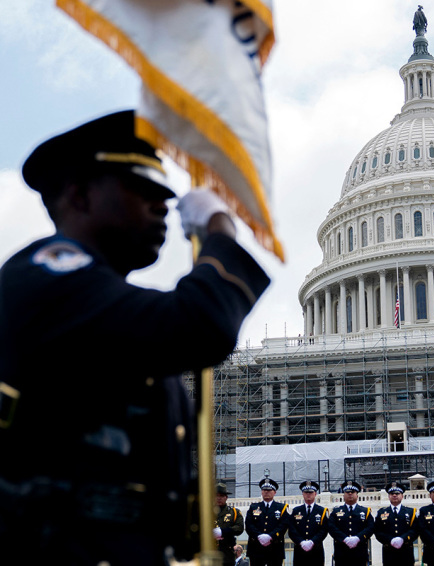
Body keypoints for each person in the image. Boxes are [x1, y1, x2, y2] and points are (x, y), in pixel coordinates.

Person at [0, 110, 269, 565]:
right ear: (80, 195)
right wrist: (221, 229)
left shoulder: (110, 306)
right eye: (142, 190)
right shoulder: (50, 275)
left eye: (164, 195)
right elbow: (199, 324)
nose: (162, 205)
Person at [326, 480, 374, 566]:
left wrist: (358, 538)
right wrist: (344, 538)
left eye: (353, 492)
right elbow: (331, 527)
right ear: (343, 495)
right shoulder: (336, 512)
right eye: (347, 492)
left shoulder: (365, 512)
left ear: (357, 495)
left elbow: (370, 528)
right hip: (341, 554)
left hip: (360, 554)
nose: (350, 494)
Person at [245, 476, 290, 566]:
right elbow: (249, 524)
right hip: (256, 548)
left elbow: (283, 525)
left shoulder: (281, 508)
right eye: (264, 490)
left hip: (275, 548)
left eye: (269, 490)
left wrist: (270, 536)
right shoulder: (253, 507)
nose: (266, 492)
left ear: (274, 492)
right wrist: (259, 536)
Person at [374, 481, 419, 566]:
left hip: (406, 553)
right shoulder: (381, 512)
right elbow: (377, 531)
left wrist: (403, 539)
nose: (394, 495)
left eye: (397, 493)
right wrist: (390, 540)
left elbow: (415, 530)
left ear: (402, 496)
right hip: (389, 554)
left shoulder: (411, 512)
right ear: (388, 496)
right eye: (391, 493)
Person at [287, 480, 328, 566]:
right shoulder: (296, 511)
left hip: (316, 551)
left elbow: (324, 530)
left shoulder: (322, 511)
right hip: (300, 551)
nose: (308, 494)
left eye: (311, 492)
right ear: (302, 494)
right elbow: (292, 529)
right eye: (306, 492)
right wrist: (301, 542)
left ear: (315, 494)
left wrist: (312, 542)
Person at [215, 483, 245, 562]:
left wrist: (222, 532)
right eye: (216, 496)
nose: (219, 498)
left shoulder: (234, 512)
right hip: (210, 550)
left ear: (226, 497)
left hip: (227, 551)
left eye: (221, 496)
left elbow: (239, 528)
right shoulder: (205, 512)